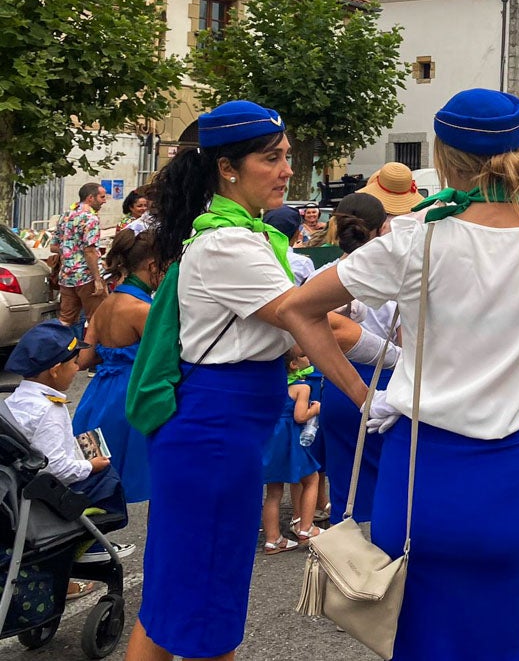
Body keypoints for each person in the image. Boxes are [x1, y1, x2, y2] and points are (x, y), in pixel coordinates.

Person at [278, 88, 519, 660]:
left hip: (417, 478)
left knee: (414, 642)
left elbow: (299, 309)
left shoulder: (418, 236)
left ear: (443, 157)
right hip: (506, 483)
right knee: (496, 643)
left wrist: (363, 395)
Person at [126, 100, 309, 661]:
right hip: (216, 431)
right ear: (228, 168)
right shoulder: (230, 242)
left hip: (217, 429)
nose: (287, 170)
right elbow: (303, 316)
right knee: (206, 602)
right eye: (272, 158)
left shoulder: (243, 236)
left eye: (287, 157)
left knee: (178, 596)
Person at [308, 191, 400, 527]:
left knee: (346, 482)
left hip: (337, 381)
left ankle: (347, 560)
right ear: (380, 229)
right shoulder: (396, 279)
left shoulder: (322, 277)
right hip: (388, 379)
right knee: (393, 479)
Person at [5, 321, 133, 563]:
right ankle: (87, 541)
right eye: (74, 363)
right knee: (107, 477)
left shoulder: (17, 400)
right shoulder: (49, 410)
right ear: (55, 370)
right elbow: (56, 470)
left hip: (21, 488)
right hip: (46, 496)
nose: (77, 369)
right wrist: (92, 466)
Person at [73, 227, 157, 504]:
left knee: (96, 471)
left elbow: (84, 359)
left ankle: (93, 537)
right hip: (130, 396)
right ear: (152, 265)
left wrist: (111, 352)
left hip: (96, 397)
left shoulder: (104, 306)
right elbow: (161, 360)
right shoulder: (142, 309)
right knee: (127, 476)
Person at [260, 352, 322, 552]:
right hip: (291, 441)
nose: (308, 357)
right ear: (294, 364)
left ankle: (273, 539)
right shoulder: (302, 387)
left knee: (274, 491)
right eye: (304, 355)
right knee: (311, 479)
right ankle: (306, 528)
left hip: (271, 440)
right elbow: (300, 416)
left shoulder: (271, 385)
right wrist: (316, 409)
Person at [55, 182, 108, 328]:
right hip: (86, 275)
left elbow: (54, 245)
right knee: (98, 319)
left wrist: (69, 252)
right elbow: (89, 250)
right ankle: (92, 350)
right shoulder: (90, 218)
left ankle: (65, 349)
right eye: (102, 197)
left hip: (67, 275)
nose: (105, 200)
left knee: (66, 319)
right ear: (91, 198)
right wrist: (97, 279)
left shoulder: (66, 215)